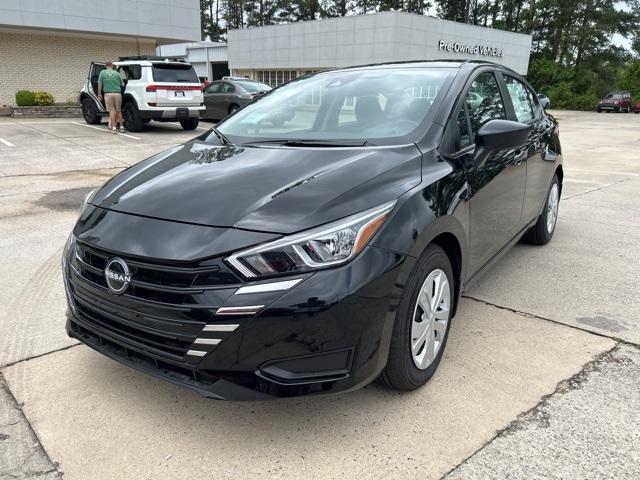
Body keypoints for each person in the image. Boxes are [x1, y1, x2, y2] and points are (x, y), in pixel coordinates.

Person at [97, 61, 124, 133]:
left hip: (108, 94)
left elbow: (100, 83)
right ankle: (121, 127)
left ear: (105, 65)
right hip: (118, 94)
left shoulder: (102, 72)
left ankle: (114, 128)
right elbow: (122, 84)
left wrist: (99, 94)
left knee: (111, 111)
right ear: (112, 65)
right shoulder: (117, 73)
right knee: (119, 111)